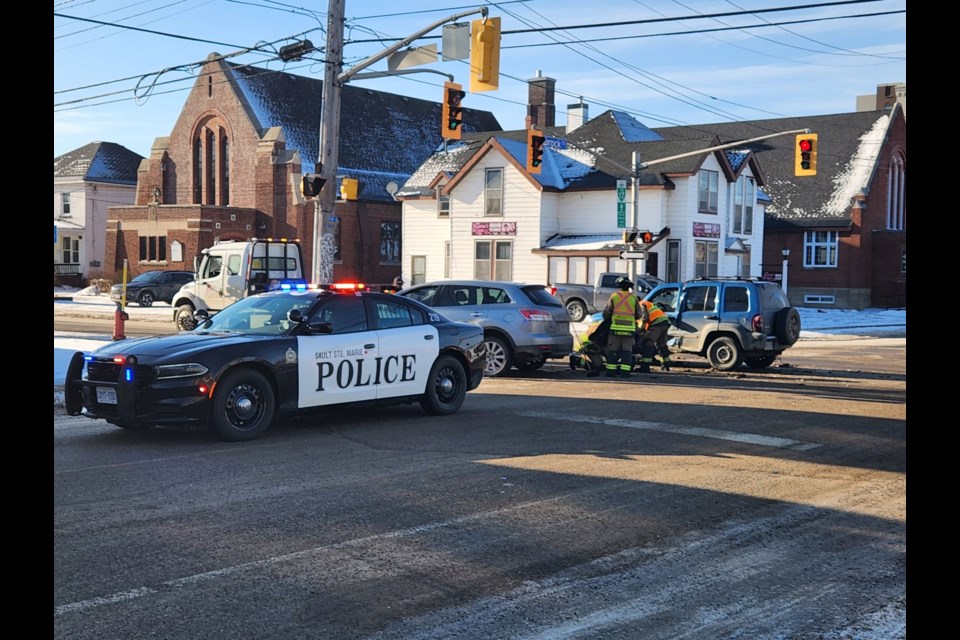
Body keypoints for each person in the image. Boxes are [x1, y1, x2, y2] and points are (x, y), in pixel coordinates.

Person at [602, 276, 645, 378]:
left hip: (615, 329)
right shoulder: (633, 297)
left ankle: (611, 372)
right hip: (629, 330)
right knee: (627, 351)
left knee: (613, 350)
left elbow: (607, 312)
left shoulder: (614, 296)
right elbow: (639, 314)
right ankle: (625, 372)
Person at [636, 299, 672, 372]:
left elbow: (644, 318)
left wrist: (640, 330)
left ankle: (645, 367)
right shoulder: (647, 303)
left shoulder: (641, 305)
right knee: (661, 344)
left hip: (656, 323)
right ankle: (666, 365)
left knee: (648, 343)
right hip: (664, 322)